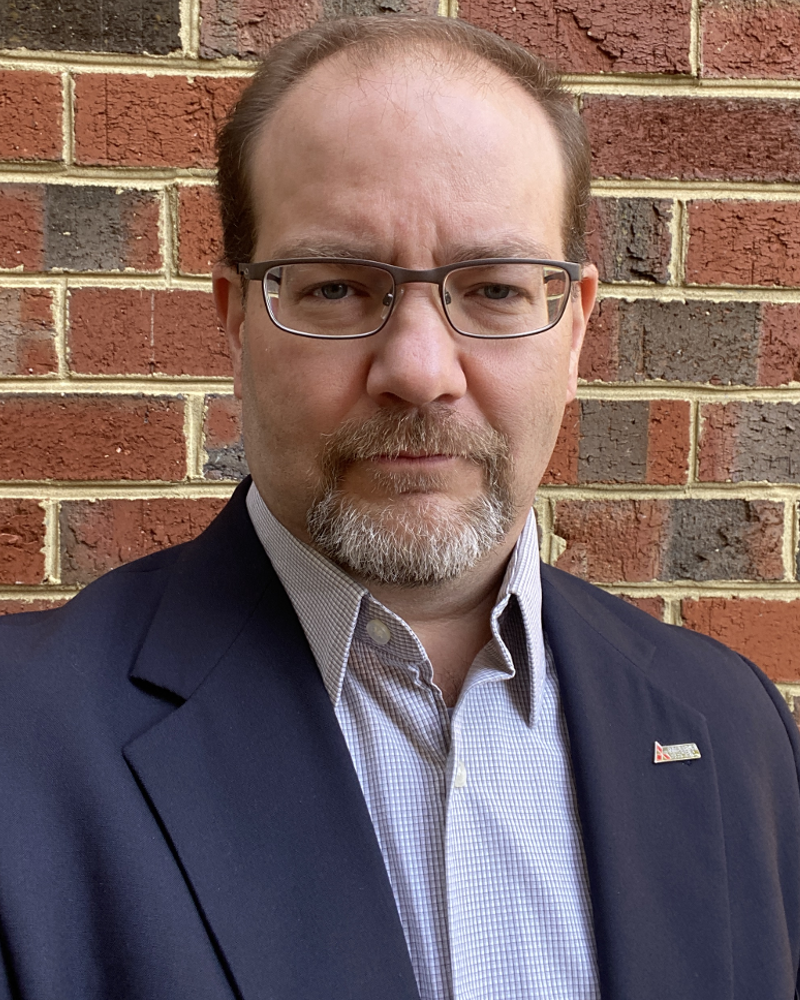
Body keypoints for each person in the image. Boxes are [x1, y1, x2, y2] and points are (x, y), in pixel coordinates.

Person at [0, 15, 798, 1000]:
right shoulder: (22, 746)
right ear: (233, 320)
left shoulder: (732, 728)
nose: (418, 371)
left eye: (495, 289)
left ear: (576, 326)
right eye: (335, 287)